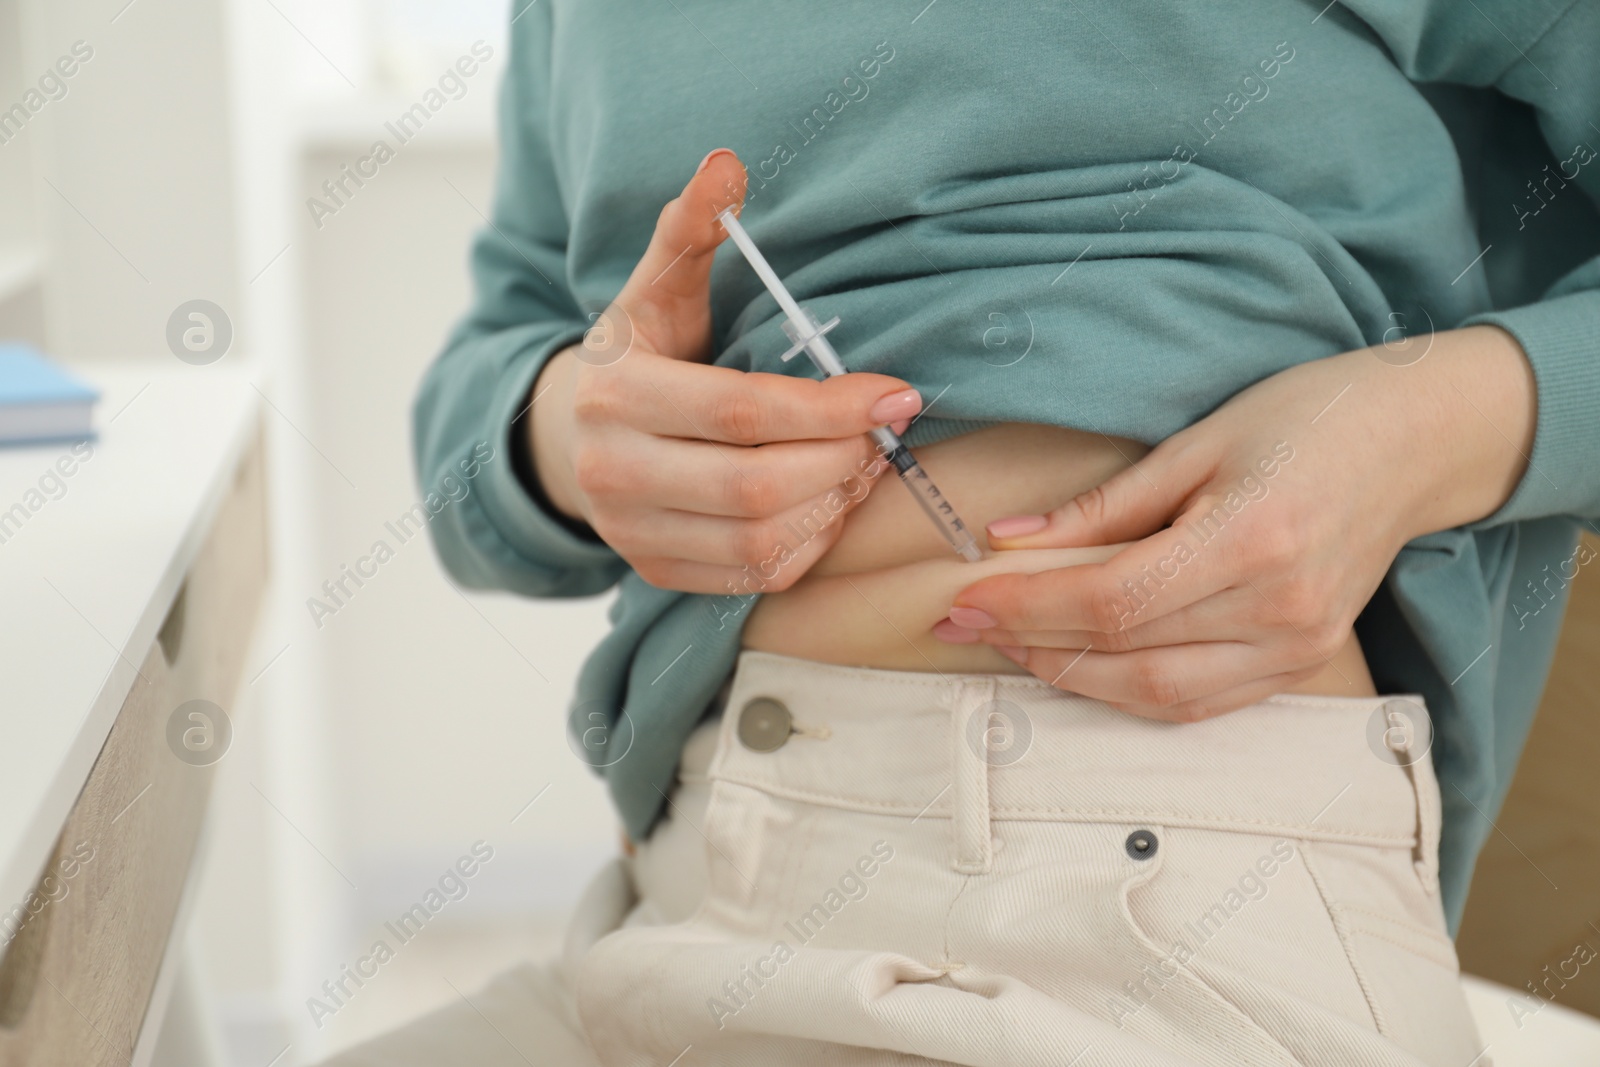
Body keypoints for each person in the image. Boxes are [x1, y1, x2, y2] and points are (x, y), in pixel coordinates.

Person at [321, 0, 1600, 1063]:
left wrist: (1427, 427)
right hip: (688, 891)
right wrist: (561, 437)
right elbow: (508, 337)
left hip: (1175, 902)